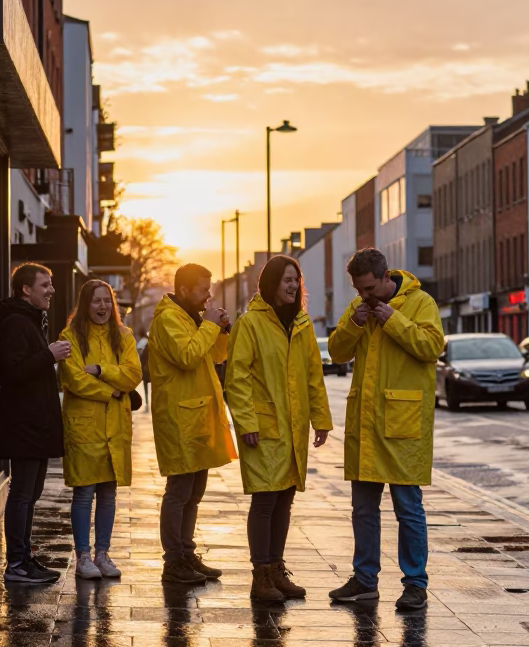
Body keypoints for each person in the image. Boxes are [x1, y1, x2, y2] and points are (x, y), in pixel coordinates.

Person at [327, 248, 444, 611]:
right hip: (366, 424)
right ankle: (364, 580)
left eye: (369, 288)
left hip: (403, 424)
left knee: (408, 509)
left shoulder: (420, 302)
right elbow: (336, 353)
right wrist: (354, 323)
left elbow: (432, 347)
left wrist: (393, 319)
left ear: (384, 277)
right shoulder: (357, 308)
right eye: (359, 289)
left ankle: (415, 584)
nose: (364, 295)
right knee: (363, 509)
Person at [225, 256, 332, 602]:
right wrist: (246, 422)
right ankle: (261, 576)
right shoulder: (250, 324)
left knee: (285, 498)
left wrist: (321, 421)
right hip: (263, 427)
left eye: (295, 279)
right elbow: (237, 378)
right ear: (270, 283)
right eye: (286, 279)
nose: (292, 285)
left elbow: (313, 377)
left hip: (294, 427)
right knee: (265, 499)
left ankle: (276, 569)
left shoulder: (302, 324)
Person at [149, 263, 238, 584]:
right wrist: (210, 326)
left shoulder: (190, 318)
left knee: (195, 491)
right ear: (184, 290)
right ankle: (173, 561)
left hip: (197, 416)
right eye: (203, 290)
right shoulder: (168, 320)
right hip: (178, 419)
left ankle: (187, 553)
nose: (208, 295)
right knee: (179, 491)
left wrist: (221, 330)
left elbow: (213, 357)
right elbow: (187, 356)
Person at [0, 262, 73, 583]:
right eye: (45, 285)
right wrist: (49, 355)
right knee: (23, 493)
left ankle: (25, 557)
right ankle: (16, 565)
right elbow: (12, 372)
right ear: (26, 289)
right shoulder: (15, 323)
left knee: (31, 493)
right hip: (24, 424)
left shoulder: (29, 321)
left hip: (34, 424)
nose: (51, 290)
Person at [59, 280, 142, 580]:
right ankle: (83, 556)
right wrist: (112, 391)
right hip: (84, 427)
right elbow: (74, 380)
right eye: (96, 301)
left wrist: (101, 370)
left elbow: (133, 374)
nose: (103, 307)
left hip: (115, 427)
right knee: (84, 493)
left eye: (107, 301)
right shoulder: (70, 337)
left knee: (108, 493)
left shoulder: (124, 335)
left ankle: (102, 554)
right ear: (85, 304)